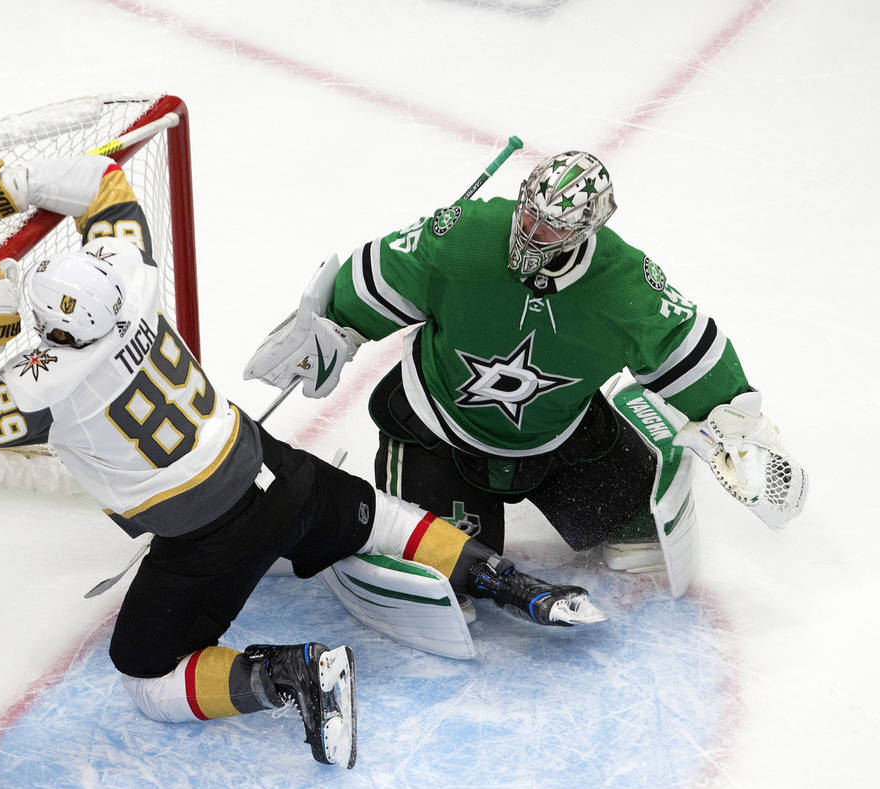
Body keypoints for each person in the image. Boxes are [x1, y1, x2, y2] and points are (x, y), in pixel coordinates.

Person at [0, 154, 605, 769]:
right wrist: (10, 184)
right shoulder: (129, 280)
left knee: (146, 675)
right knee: (379, 519)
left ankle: (295, 673)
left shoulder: (48, 388)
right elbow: (105, 185)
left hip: (206, 537)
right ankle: (509, 579)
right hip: (273, 468)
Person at [245, 150, 807, 578]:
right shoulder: (465, 236)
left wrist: (738, 424)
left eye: (553, 226)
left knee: (640, 534)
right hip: (442, 431)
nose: (533, 232)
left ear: (590, 228)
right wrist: (330, 326)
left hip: (556, 435)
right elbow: (380, 272)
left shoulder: (623, 286)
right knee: (451, 569)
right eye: (530, 214)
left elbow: (686, 346)